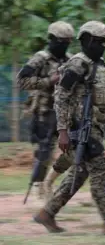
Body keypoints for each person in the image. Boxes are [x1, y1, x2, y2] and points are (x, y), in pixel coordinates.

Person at [33, 21, 105, 236]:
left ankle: (47, 213)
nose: (103, 46)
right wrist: (64, 131)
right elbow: (61, 97)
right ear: (86, 40)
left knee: (80, 172)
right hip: (79, 129)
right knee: (100, 172)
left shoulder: (102, 66)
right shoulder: (77, 65)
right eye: (99, 42)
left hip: (94, 129)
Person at [17, 21, 74, 201]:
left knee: (72, 149)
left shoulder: (70, 59)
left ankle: (50, 181)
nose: (64, 45)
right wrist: (50, 80)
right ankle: (39, 185)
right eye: (60, 41)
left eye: (67, 41)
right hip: (44, 111)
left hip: (65, 111)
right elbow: (22, 81)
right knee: (44, 151)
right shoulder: (40, 58)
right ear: (51, 39)